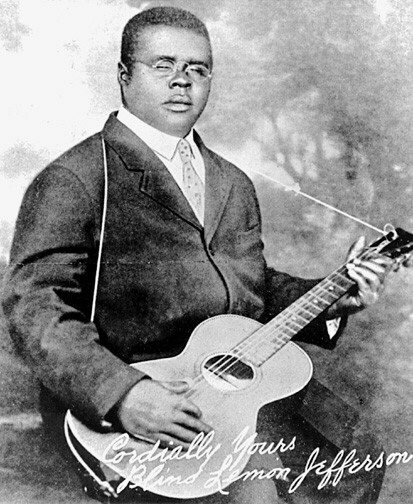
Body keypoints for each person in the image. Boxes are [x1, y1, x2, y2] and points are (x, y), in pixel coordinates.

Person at [2, 6, 391, 504]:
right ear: (124, 76)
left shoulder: (231, 180)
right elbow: (35, 306)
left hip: (237, 378)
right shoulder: (76, 178)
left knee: (360, 452)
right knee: (260, 494)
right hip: (144, 399)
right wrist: (120, 394)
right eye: (163, 66)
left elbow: (250, 286)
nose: (182, 82)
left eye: (198, 69)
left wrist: (334, 299)